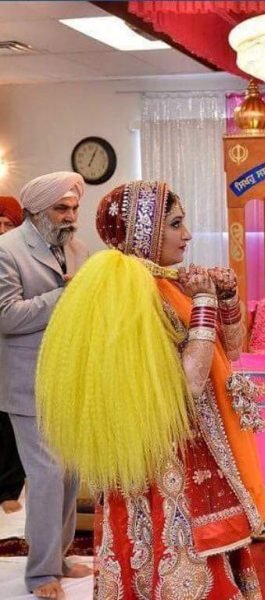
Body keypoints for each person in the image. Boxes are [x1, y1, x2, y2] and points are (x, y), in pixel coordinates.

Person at [36, 180, 265, 599]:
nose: (188, 234)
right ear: (145, 234)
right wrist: (203, 304)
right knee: (172, 560)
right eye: (176, 224)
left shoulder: (172, 283)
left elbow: (231, 350)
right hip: (161, 464)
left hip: (196, 452)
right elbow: (188, 384)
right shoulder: (128, 296)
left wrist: (226, 296)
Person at [0, 173, 91, 599]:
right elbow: (7, 317)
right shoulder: (6, 250)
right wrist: (63, 296)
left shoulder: (77, 250)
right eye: (61, 209)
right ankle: (40, 575)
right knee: (49, 475)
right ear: (37, 210)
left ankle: (59, 557)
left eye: (74, 208)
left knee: (70, 475)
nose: (71, 216)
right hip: (27, 384)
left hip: (69, 380)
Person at [0, 196, 26, 514]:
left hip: (13, 347)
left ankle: (8, 489)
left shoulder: (20, 258)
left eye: (9, 225)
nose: (3, 229)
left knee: (8, 421)